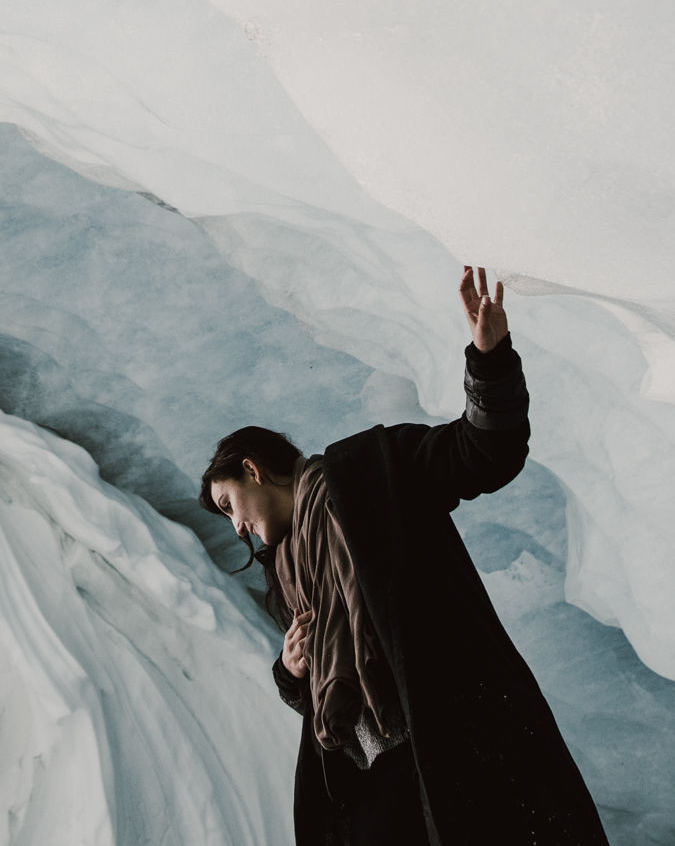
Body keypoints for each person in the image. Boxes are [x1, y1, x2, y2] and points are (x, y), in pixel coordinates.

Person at [200, 267, 609, 845]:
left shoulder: (373, 471)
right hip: (370, 776)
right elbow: (329, 697)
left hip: (445, 748)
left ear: (251, 469)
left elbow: (482, 452)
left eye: (227, 503)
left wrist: (488, 361)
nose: (235, 524)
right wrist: (291, 673)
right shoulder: (288, 582)